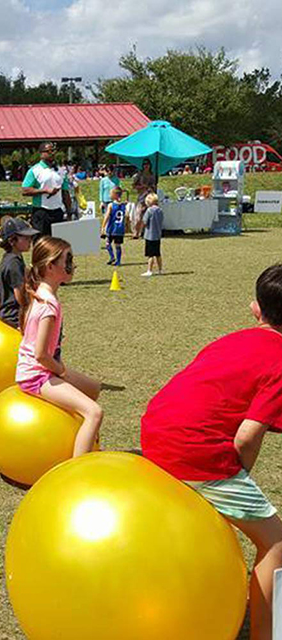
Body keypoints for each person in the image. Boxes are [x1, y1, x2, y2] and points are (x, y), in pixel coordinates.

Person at [141, 264, 282, 640]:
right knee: (277, 542)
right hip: (196, 451)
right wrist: (240, 473)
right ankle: (267, 635)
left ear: (255, 309)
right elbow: (247, 438)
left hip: (154, 432)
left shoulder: (229, 340)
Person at [16, 236, 102, 457]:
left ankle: (90, 447)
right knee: (94, 412)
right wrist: (62, 372)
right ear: (50, 266)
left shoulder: (42, 294)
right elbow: (41, 355)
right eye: (68, 259)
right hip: (36, 376)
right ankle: (77, 471)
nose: (72, 265)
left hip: (41, 370)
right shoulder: (48, 306)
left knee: (93, 389)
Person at [22, 142, 72, 239]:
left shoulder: (61, 171)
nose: (52, 153)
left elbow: (65, 192)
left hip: (58, 211)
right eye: (48, 151)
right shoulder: (35, 170)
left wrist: (69, 212)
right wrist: (45, 191)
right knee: (41, 243)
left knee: (57, 244)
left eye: (53, 151)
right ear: (41, 153)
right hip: (41, 211)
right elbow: (25, 190)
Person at [0, 217, 39, 329]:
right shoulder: (13, 263)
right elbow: (19, 296)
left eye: (30, 237)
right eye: (26, 238)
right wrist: (30, 309)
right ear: (12, 241)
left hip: (10, 313)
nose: (30, 240)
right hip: (13, 315)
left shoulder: (14, 257)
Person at [100, 187, 127, 266]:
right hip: (120, 228)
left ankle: (112, 257)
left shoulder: (111, 205)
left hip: (112, 228)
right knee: (118, 245)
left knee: (108, 243)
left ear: (115, 195)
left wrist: (103, 226)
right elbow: (126, 216)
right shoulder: (123, 205)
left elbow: (107, 216)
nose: (109, 195)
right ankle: (118, 261)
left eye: (110, 193)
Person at [132, 159, 156, 239]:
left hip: (150, 198)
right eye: (144, 164)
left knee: (147, 216)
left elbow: (154, 186)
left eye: (147, 164)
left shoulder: (152, 175)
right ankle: (136, 232)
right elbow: (133, 186)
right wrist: (142, 186)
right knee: (138, 215)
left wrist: (150, 188)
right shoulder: (139, 175)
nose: (146, 166)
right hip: (141, 197)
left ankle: (143, 232)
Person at [141, 193, 164, 277]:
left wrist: (141, 229)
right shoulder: (160, 210)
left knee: (150, 255)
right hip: (158, 235)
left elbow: (144, 221)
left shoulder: (149, 210)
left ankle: (149, 270)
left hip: (150, 236)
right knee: (158, 254)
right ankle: (160, 269)